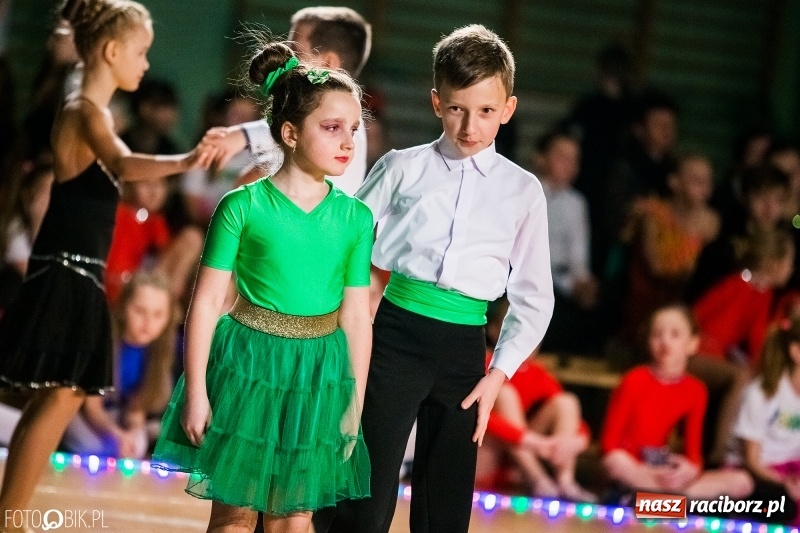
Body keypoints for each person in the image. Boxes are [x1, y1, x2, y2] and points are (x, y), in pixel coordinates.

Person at [325, 24, 554, 533]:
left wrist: (499, 374)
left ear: (508, 109)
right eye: (457, 109)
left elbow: (534, 297)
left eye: (486, 111)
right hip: (394, 339)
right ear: (435, 103)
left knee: (446, 504)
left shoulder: (523, 190)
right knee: (364, 487)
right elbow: (343, 243)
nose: (470, 125)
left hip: (466, 356)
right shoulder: (403, 167)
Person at [151, 41, 373, 533]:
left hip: (317, 373)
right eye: (332, 128)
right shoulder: (243, 206)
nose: (348, 142)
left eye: (353, 130)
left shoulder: (355, 219)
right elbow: (206, 302)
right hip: (248, 366)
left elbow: (357, 316)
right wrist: (197, 392)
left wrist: (352, 407)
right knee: (234, 511)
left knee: (294, 518)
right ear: (290, 133)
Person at [0, 0, 206, 517]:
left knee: (57, 398)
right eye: (140, 53)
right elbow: (122, 162)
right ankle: (10, 515)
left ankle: (11, 512)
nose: (144, 64)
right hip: (65, 271)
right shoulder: (83, 111)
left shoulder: (93, 113)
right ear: (112, 51)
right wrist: (186, 159)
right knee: (60, 395)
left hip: (78, 271)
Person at [201, 6, 372, 196]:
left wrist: (243, 136)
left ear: (327, 64)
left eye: (296, 54)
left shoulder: (333, 126)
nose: (286, 64)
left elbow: (249, 184)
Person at [602, 304, 753, 499]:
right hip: (634, 470)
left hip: (662, 472)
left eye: (675, 335)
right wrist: (644, 472)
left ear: (692, 343)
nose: (665, 341)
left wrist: (687, 470)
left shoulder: (696, 390)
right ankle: (663, 503)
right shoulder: (633, 380)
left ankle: (658, 503)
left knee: (742, 482)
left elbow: (694, 455)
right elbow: (609, 445)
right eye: (657, 335)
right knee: (616, 462)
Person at [63, 271, 177, 458]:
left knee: (135, 447)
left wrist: (132, 431)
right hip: (81, 414)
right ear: (124, 306)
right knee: (97, 449)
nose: (148, 322)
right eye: (140, 311)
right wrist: (115, 434)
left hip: (117, 415)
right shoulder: (104, 340)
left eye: (158, 315)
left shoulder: (159, 352)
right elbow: (92, 408)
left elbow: (136, 408)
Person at [535, 129, 600, 354]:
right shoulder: (527, 192)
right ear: (541, 158)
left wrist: (581, 283)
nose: (569, 165)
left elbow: (578, 254)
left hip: (562, 284)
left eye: (574, 160)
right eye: (562, 157)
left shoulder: (577, 202)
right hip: (526, 277)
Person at [734, 316, 800, 525]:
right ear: (796, 352)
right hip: (758, 473)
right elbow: (752, 460)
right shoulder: (761, 393)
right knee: (781, 505)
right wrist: (785, 483)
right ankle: (655, 506)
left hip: (793, 470)